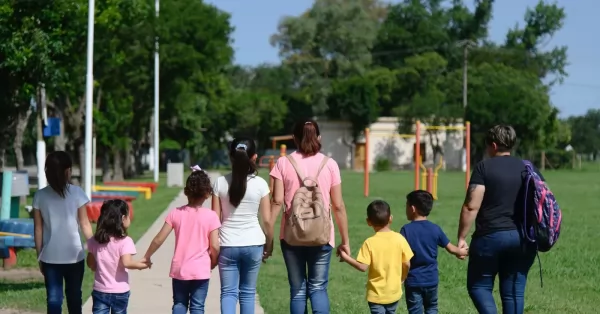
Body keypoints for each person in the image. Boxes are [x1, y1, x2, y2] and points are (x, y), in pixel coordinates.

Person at [266, 118, 351, 314]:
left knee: (297, 290)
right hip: (322, 235)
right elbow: (338, 205)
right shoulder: (330, 164)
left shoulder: (283, 163)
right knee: (318, 288)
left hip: (291, 236)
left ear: (294, 138)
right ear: (319, 137)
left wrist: (268, 238)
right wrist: (345, 240)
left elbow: (277, 201)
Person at [457, 125, 540, 314]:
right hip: (524, 239)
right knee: (514, 293)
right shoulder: (528, 168)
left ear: (493, 145)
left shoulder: (484, 167)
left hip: (490, 238)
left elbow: (471, 205)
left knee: (479, 287)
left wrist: (462, 238)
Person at [144, 168, 220, 314]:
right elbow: (215, 245)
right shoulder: (211, 216)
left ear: (187, 192)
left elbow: (159, 239)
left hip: (180, 269)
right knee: (197, 307)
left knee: (179, 304)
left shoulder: (176, 213)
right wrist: (214, 260)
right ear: (207, 193)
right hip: (201, 269)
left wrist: (147, 255)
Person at [211, 137, 270, 314]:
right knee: (248, 293)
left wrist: (213, 250)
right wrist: (270, 243)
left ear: (231, 157)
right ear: (255, 157)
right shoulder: (260, 184)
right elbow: (266, 220)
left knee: (228, 293)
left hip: (227, 244)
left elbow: (214, 221)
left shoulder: (220, 183)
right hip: (254, 243)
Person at [32, 151, 93, 314]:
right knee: (74, 298)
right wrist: (95, 248)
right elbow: (85, 224)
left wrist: (39, 256)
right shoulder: (77, 193)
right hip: (75, 256)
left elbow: (38, 229)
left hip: (50, 258)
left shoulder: (39, 196)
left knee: (53, 299)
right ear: (68, 171)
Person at [339, 200, 413, 314]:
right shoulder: (400, 239)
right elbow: (407, 263)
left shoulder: (370, 242)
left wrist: (345, 257)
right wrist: (402, 278)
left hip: (376, 295)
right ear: (391, 218)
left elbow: (362, 267)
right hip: (394, 293)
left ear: (368, 222)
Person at [400, 190, 468, 314]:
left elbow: (403, 258)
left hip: (413, 280)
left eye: (406, 206)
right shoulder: (435, 229)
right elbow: (451, 248)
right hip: (431, 280)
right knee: (432, 308)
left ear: (413, 208)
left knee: (415, 310)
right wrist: (461, 251)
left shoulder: (406, 230)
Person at [86, 200, 150, 314]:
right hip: (120, 291)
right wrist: (143, 265)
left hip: (100, 290)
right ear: (124, 218)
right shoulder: (125, 241)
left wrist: (97, 266)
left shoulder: (95, 240)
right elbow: (127, 263)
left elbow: (91, 263)